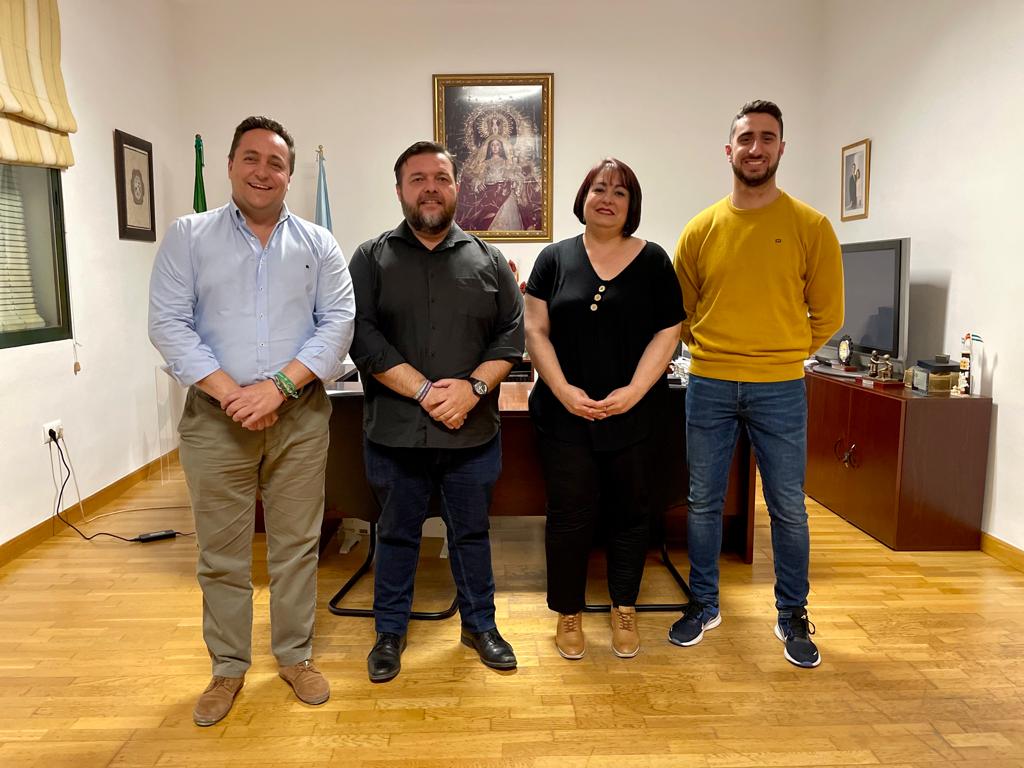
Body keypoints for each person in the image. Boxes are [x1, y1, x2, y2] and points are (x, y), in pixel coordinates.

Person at [148, 116, 355, 724]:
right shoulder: (189, 236)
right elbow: (168, 323)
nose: (264, 172)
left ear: (289, 175)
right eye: (252, 159)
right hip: (216, 420)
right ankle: (227, 667)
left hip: (300, 417)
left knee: (297, 546)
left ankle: (295, 657)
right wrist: (233, 394)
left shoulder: (319, 243)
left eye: (276, 163)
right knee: (222, 555)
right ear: (231, 165)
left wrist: (278, 389)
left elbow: (338, 324)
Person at [670, 100, 843, 668]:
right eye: (746, 138)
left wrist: (783, 352)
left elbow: (829, 314)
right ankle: (704, 604)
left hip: (780, 387)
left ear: (781, 149)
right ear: (730, 150)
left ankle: (792, 613)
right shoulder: (700, 229)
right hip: (710, 383)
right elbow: (682, 312)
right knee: (703, 502)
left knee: (788, 506)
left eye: (767, 138)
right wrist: (714, 349)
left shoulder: (810, 226)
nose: (756, 148)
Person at [349, 140, 525, 683]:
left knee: (470, 534)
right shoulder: (370, 259)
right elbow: (362, 337)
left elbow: (510, 336)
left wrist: (473, 389)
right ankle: (389, 633)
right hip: (395, 434)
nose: (430, 188)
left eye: (441, 178)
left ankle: (480, 627)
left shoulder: (489, 260)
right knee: (396, 535)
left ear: (457, 187)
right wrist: (426, 392)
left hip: (472, 434)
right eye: (418, 178)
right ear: (399, 190)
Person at [524, 158, 684, 660]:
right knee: (568, 515)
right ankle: (568, 612)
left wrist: (634, 390)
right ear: (584, 197)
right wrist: (563, 390)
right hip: (564, 414)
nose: (608, 198)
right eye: (599, 188)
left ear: (631, 205)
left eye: (619, 191)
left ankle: (624, 606)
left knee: (631, 513)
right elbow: (535, 331)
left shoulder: (654, 260)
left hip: (634, 413)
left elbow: (669, 330)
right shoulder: (553, 258)